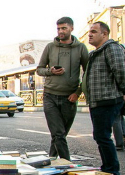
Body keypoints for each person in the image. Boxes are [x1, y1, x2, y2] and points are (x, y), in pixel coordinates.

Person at [80, 22, 125, 175]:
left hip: (108, 100)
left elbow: (121, 72)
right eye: (89, 32)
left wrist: (123, 91)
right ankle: (108, 169)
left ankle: (112, 172)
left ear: (105, 34)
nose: (90, 35)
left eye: (94, 31)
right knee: (101, 136)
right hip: (98, 101)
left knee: (103, 136)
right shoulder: (97, 52)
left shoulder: (111, 48)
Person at [36, 17, 89, 161]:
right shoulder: (50, 47)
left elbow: (88, 72)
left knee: (60, 134)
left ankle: (51, 161)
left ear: (72, 28)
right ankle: (67, 163)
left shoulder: (81, 48)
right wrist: (50, 71)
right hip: (50, 95)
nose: (60, 31)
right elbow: (39, 69)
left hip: (69, 98)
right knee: (58, 133)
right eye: (58, 28)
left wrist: (77, 92)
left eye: (64, 28)